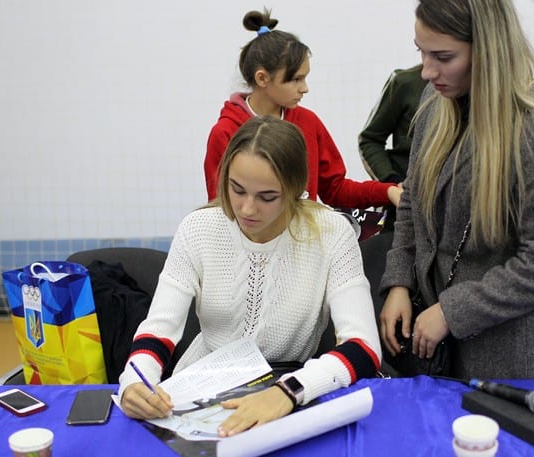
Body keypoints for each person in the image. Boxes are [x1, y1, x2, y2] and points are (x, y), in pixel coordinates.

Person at [119, 116, 381, 436]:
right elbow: (159, 329)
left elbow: (364, 347)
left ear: (297, 188)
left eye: (267, 197)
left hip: (284, 388)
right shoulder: (199, 229)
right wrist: (135, 381)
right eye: (237, 190)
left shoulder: (332, 234)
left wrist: (289, 392)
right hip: (200, 389)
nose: (246, 209)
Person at [379, 0, 534, 380]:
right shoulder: (436, 104)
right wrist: (398, 282)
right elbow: (412, 201)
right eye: (421, 52)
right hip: (435, 352)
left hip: (510, 359)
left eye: (443, 56)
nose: (427, 71)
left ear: (489, 49)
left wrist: (451, 312)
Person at [204, 9, 402, 210]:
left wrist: (388, 190)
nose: (304, 88)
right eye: (296, 79)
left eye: (305, 78)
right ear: (262, 78)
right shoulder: (225, 133)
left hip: (303, 239)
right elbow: (220, 209)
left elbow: (335, 189)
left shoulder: (308, 121)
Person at [359, 65, 428, 231]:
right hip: (403, 209)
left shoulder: (486, 85)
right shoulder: (405, 83)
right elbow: (369, 139)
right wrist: (392, 183)